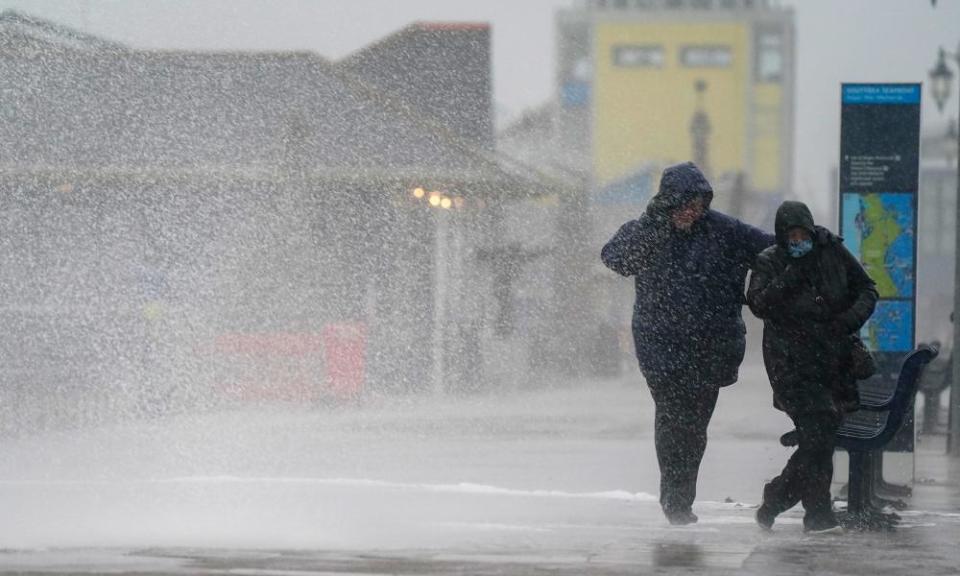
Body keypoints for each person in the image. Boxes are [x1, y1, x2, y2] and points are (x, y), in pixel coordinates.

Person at [601, 161, 773, 525]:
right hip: (659, 345)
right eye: (683, 205)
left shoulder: (724, 231)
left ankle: (681, 493)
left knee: (694, 426)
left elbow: (772, 251)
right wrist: (653, 225)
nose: (690, 213)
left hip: (710, 348)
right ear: (668, 203)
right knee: (671, 419)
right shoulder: (650, 231)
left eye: (697, 205)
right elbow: (616, 258)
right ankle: (675, 498)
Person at [746, 200, 878, 534]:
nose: (798, 239)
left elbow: (867, 289)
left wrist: (847, 321)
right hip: (791, 366)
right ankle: (817, 514)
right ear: (781, 236)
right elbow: (759, 304)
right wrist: (792, 274)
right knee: (821, 426)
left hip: (832, 363)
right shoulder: (769, 261)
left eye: (802, 232)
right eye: (790, 235)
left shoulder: (831, 251)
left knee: (818, 437)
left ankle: (779, 498)